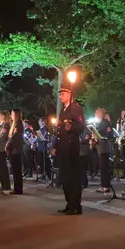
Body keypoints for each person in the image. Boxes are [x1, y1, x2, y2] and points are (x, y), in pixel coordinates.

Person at [52, 85, 85, 215]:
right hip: (63, 147)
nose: (61, 96)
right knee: (65, 176)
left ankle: (76, 205)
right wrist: (55, 146)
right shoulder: (63, 110)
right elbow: (59, 131)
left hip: (71, 146)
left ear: (70, 94)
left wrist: (71, 127)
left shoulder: (75, 107)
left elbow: (81, 127)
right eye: (60, 94)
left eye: (63, 94)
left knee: (73, 177)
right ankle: (69, 203)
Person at [5, 109, 24, 194]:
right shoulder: (15, 123)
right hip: (15, 149)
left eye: (12, 114)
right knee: (16, 170)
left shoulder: (18, 123)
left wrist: (7, 146)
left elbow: (13, 137)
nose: (11, 116)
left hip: (16, 149)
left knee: (17, 170)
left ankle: (18, 189)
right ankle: (17, 188)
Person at [0, 111, 11, 191]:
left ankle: (6, 185)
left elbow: (1, 137)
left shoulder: (5, 126)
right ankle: (4, 184)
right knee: (0, 167)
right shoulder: (1, 126)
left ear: (3, 116)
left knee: (2, 167)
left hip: (1, 148)